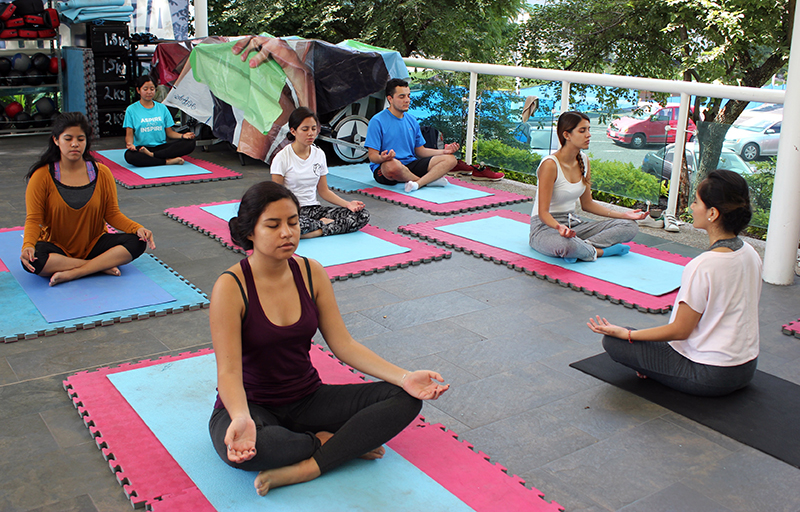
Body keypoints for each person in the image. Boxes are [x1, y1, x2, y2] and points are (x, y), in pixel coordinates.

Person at [209, 181, 449, 496]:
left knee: (405, 399)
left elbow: (344, 344)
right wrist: (241, 417)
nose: (287, 232)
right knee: (251, 451)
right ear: (250, 231)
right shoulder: (230, 287)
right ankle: (331, 443)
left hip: (308, 399)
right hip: (251, 406)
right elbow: (228, 373)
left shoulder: (312, 273)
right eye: (273, 224)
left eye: (293, 223)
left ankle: (310, 466)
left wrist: (405, 377)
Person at [587, 170, 761, 397]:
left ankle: (653, 364)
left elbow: (680, 331)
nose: (691, 208)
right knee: (639, 339)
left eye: (696, 202)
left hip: (711, 374)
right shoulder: (751, 254)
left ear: (713, 213)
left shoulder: (704, 265)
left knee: (615, 341)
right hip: (746, 367)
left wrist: (626, 336)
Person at [20, 112, 156, 286]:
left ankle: (74, 273)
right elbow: (34, 219)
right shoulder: (42, 176)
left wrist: (137, 228)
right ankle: (98, 267)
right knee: (32, 260)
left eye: (80, 139)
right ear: (56, 140)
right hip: (57, 249)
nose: (75, 144)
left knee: (138, 241)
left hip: (94, 245)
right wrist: (28, 246)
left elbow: (112, 214)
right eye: (68, 139)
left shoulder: (102, 172)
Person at [529, 111, 647, 263]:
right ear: (567, 135)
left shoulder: (584, 160)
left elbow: (587, 204)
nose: (589, 135)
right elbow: (543, 213)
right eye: (582, 130)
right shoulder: (550, 165)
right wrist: (559, 228)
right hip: (545, 227)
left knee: (630, 226)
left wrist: (624, 215)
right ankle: (599, 251)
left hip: (573, 225)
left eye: (589, 129)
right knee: (566, 246)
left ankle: (581, 250)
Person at [365, 78, 504, 192]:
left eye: (408, 96)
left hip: (410, 163)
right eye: (401, 97)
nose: (407, 100)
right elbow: (372, 156)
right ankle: (427, 181)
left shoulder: (412, 120)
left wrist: (444, 151)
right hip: (386, 168)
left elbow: (420, 151)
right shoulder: (377, 121)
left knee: (450, 160)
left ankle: (418, 183)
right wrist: (383, 157)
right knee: (392, 166)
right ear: (390, 98)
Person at [270, 107, 370, 238]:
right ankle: (322, 227)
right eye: (305, 129)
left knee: (363, 215)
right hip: (293, 212)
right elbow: (277, 195)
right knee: (293, 224)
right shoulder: (282, 157)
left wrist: (348, 204)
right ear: (293, 131)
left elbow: (324, 191)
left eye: (313, 128)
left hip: (315, 210)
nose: (311, 133)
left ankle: (317, 230)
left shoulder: (319, 154)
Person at [123, 75, 196, 167]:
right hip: (142, 149)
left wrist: (183, 136)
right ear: (138, 90)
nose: (149, 92)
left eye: (152, 89)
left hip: (161, 148)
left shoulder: (162, 108)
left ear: (155, 90)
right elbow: (129, 134)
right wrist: (130, 144)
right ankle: (167, 161)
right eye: (145, 89)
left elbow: (169, 133)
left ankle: (153, 156)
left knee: (190, 143)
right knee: (129, 156)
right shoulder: (131, 110)